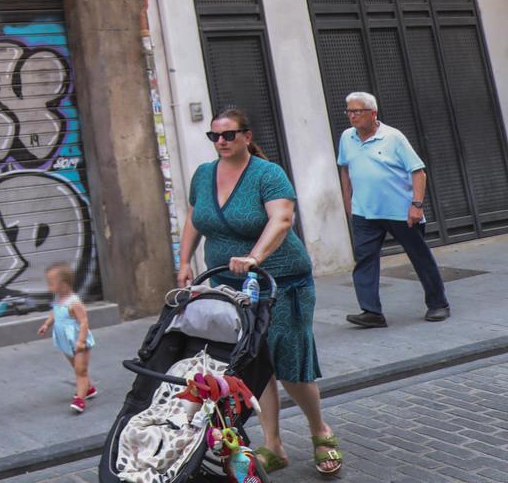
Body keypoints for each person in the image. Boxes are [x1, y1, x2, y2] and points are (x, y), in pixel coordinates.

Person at [177, 109, 342, 477]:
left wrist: (254, 257)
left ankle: (320, 429)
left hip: (281, 281)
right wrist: (184, 260)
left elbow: (282, 219)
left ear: (247, 137)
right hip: (231, 285)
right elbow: (193, 217)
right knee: (254, 363)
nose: (221, 141)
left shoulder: (268, 175)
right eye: (215, 136)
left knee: (289, 364)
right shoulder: (204, 175)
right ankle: (274, 445)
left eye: (229, 135)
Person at [337, 92, 449, 327]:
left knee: (420, 257)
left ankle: (438, 304)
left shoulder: (393, 137)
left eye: (358, 111)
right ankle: (371, 312)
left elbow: (418, 172)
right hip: (364, 213)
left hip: (401, 212)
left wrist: (416, 205)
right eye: (349, 111)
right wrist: (348, 203)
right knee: (365, 261)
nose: (352, 116)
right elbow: (345, 170)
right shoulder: (347, 137)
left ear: (373, 113)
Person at [37, 263, 98, 414]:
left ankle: (80, 399)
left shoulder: (74, 302)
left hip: (78, 342)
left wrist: (81, 341)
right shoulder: (58, 299)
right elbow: (55, 313)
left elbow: (84, 321)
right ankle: (88, 389)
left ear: (63, 285)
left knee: (80, 371)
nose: (48, 287)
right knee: (77, 368)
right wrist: (46, 324)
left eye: (51, 284)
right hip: (65, 341)